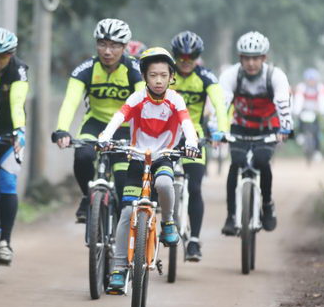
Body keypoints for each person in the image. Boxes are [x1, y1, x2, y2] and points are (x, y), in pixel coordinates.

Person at [96, 47, 199, 293]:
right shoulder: (137, 98)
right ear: (144, 76)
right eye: (153, 75)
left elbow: (187, 124)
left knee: (164, 184)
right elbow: (118, 117)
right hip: (137, 159)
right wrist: (105, 136)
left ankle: (169, 223)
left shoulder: (175, 99)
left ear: (171, 76)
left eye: (164, 75)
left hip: (163, 158)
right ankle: (119, 269)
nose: (159, 80)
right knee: (127, 211)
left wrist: (192, 145)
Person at [52, 18, 144, 222]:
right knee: (83, 156)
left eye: (114, 45)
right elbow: (70, 102)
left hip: (125, 128)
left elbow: (143, 103)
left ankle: (121, 240)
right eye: (102, 44)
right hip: (96, 123)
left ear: (124, 47)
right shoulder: (85, 69)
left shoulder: (135, 69)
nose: (107, 51)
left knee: (122, 186)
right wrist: (62, 130)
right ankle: (87, 196)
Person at [217, 31, 292, 234]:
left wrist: (286, 127)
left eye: (256, 58)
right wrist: (217, 129)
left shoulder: (275, 76)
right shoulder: (231, 75)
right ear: (240, 58)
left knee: (261, 161)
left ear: (264, 58)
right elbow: (221, 104)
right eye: (246, 58)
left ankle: (267, 204)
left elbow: (283, 104)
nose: (251, 63)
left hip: (267, 128)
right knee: (236, 163)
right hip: (240, 126)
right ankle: (231, 216)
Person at [169, 30, 229, 262]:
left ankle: (194, 240)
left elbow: (219, 104)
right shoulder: (167, 73)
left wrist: (222, 130)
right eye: (181, 57)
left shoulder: (205, 76)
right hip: (165, 134)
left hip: (194, 135)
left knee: (194, 187)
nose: (185, 62)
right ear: (175, 56)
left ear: (198, 57)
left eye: (191, 57)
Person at [0, 27, 28, 265]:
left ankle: (5, 241)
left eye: (2, 55)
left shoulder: (18, 70)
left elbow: (17, 103)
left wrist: (19, 131)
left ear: (11, 55)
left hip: (9, 131)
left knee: (7, 182)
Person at [292, 68, 324, 161]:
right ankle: (300, 135)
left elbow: (322, 100)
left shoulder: (320, 87)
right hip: (303, 110)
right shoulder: (301, 87)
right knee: (298, 123)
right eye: (310, 79)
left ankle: (317, 151)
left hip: (314, 112)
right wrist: (296, 111)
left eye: (313, 80)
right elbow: (298, 99)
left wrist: (323, 111)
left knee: (317, 130)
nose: (311, 81)